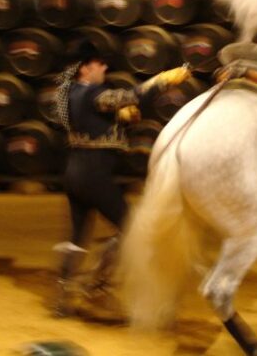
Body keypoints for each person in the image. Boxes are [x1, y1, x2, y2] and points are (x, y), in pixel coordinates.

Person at [52, 39, 191, 317]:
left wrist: (119, 119)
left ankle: (63, 302)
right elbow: (130, 97)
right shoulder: (93, 93)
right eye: (100, 64)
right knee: (133, 230)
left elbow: (96, 118)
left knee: (77, 236)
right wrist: (161, 80)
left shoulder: (68, 95)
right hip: (95, 176)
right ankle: (98, 284)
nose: (104, 68)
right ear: (87, 68)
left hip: (74, 173)